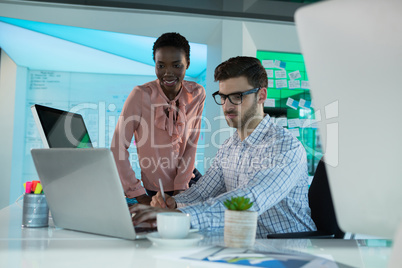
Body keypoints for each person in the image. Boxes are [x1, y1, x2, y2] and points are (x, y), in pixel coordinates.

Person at [131, 56, 316, 238]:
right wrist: (173, 204)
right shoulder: (230, 146)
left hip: (291, 248)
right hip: (247, 245)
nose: (227, 106)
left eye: (237, 97)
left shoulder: (285, 147)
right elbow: (203, 192)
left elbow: (249, 200)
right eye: (223, 97)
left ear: (261, 95)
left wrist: (180, 217)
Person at [111, 32, 206, 205]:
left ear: (187, 64)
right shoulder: (140, 95)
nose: (168, 73)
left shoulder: (197, 93)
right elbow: (117, 147)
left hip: (188, 182)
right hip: (156, 189)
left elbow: (191, 144)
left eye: (177, 65)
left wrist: (181, 192)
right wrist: (138, 193)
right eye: (161, 66)